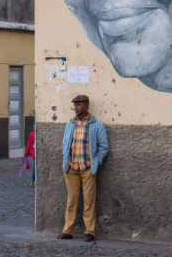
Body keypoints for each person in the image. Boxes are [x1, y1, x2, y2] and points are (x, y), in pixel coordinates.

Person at [57, 95, 108, 243]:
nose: (76, 107)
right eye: (75, 105)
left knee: (89, 200)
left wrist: (95, 163)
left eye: (79, 104)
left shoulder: (96, 124)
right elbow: (65, 144)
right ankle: (67, 230)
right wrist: (66, 160)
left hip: (87, 169)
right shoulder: (70, 124)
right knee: (71, 200)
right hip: (71, 168)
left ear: (86, 105)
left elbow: (104, 147)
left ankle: (89, 231)